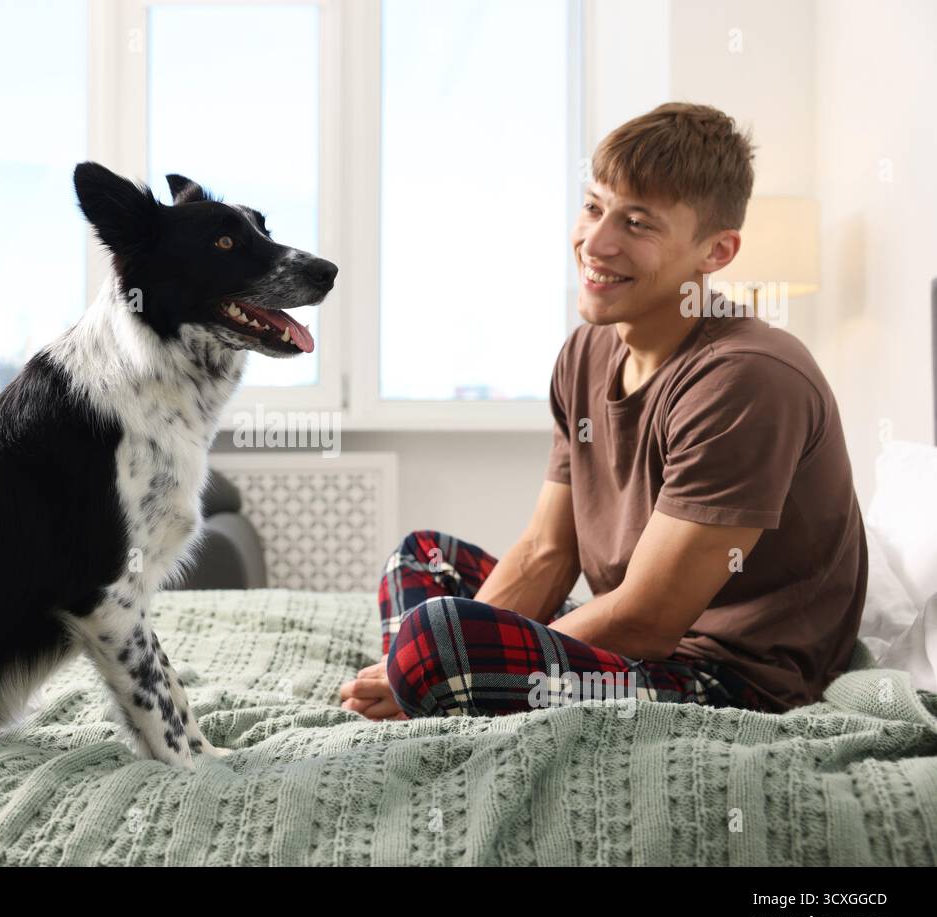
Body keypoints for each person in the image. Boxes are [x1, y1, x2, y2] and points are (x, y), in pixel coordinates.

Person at [339, 102, 867, 721]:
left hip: (726, 678)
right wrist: (420, 662)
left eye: (638, 223)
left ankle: (426, 683)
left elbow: (646, 619)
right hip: (634, 644)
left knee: (435, 645)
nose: (597, 241)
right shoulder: (588, 349)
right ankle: (419, 683)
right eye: (594, 207)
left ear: (716, 251)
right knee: (421, 557)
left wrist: (440, 657)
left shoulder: (748, 378)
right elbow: (546, 553)